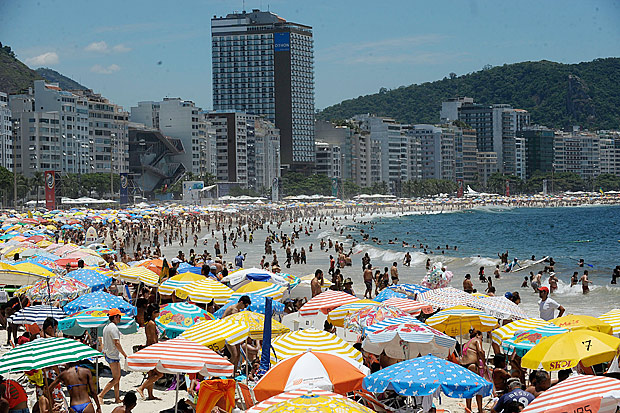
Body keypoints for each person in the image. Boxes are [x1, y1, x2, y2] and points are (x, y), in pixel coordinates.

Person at [98, 309, 128, 404]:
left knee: (117, 378)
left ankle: (117, 398)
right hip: (112, 355)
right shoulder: (113, 328)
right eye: (119, 316)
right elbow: (117, 343)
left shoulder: (106, 327)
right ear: (115, 317)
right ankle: (101, 395)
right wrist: (125, 355)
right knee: (116, 378)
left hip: (108, 354)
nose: (120, 318)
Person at [136, 305, 163, 400]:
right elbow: (152, 339)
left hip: (149, 349)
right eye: (158, 312)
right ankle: (141, 388)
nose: (159, 313)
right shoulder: (151, 323)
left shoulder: (150, 323)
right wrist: (158, 350)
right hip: (152, 350)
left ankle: (150, 395)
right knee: (159, 374)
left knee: (151, 374)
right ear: (153, 312)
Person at [461, 329, 489, 413]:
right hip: (473, 366)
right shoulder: (477, 340)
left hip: (465, 367)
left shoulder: (466, 344)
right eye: (482, 337)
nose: (482, 339)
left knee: (469, 388)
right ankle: (480, 410)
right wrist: (484, 363)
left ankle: (468, 409)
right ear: (477, 335)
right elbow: (480, 351)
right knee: (478, 387)